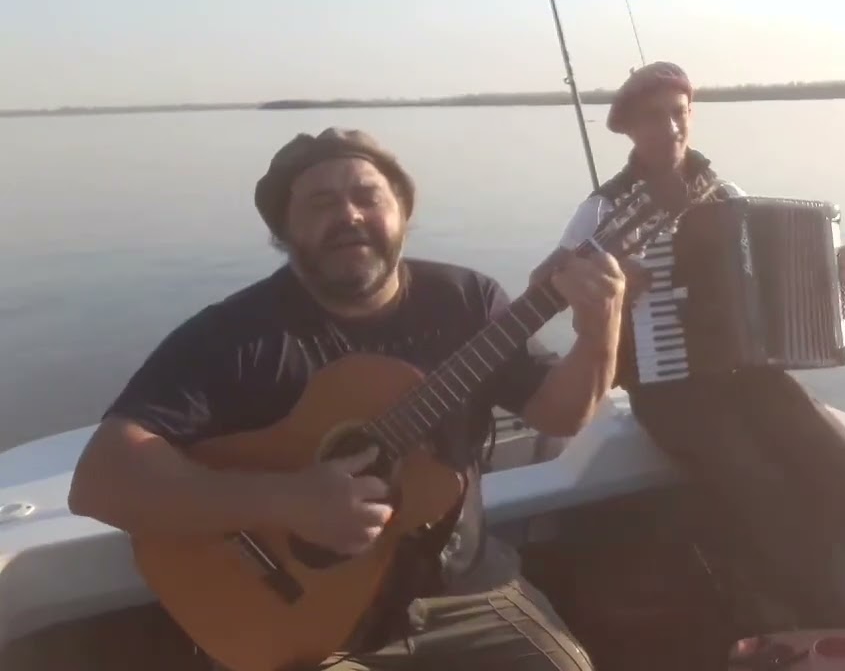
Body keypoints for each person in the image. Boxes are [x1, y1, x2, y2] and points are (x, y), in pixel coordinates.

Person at [66, 127, 624, 671]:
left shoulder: (466, 301)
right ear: (284, 229)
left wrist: (600, 327)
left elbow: (560, 413)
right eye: (320, 203)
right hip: (310, 624)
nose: (349, 215)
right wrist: (287, 500)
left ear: (402, 213)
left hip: (463, 590)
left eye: (368, 197)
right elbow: (100, 480)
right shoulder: (234, 335)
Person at [534, 62, 845, 630]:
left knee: (836, 453)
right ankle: (789, 608)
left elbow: (771, 288)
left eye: (679, 113)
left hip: (744, 373)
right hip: (666, 382)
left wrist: (827, 279)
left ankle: (815, 586)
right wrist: (610, 293)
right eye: (654, 116)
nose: (670, 127)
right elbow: (546, 290)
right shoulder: (603, 209)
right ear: (630, 129)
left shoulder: (728, 198)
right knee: (755, 479)